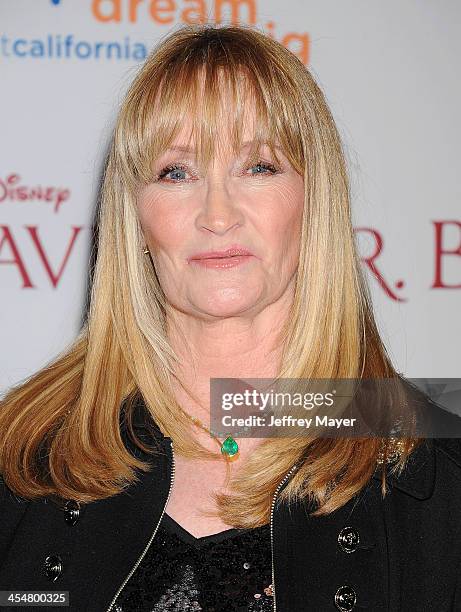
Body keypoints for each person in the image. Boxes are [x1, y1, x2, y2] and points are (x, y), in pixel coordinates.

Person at [1, 22, 460, 612]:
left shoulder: (426, 468)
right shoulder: (26, 453)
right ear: (135, 216)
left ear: (312, 199)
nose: (217, 214)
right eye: (177, 172)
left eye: (259, 166)